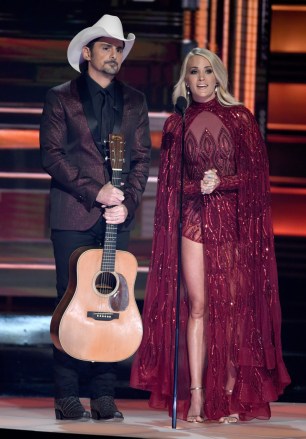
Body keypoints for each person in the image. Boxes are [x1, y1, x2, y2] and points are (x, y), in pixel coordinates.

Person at [130, 47, 290, 424]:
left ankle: (231, 394)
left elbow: (256, 178)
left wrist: (223, 180)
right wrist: (197, 185)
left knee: (231, 310)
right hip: (193, 221)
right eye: (193, 72)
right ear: (184, 81)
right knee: (198, 306)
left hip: (232, 223)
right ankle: (198, 396)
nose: (200, 78)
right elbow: (169, 185)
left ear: (218, 77)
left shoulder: (240, 119)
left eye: (207, 71)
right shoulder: (177, 123)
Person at [40, 14, 151, 421]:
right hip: (73, 213)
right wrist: (95, 191)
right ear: (87, 52)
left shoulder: (135, 101)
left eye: (119, 48)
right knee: (70, 301)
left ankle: (104, 394)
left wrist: (129, 202)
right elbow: (51, 155)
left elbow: (141, 160)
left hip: (115, 219)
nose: (114, 54)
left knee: (113, 299)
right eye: (107, 47)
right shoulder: (61, 97)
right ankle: (66, 393)